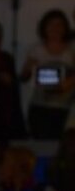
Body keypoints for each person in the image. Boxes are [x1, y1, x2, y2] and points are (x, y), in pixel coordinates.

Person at [20, 9, 75, 139]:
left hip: (64, 108)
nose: (55, 28)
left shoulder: (71, 50)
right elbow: (23, 77)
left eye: (59, 25)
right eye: (51, 24)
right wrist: (28, 68)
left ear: (65, 28)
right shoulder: (36, 49)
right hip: (40, 107)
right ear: (44, 27)